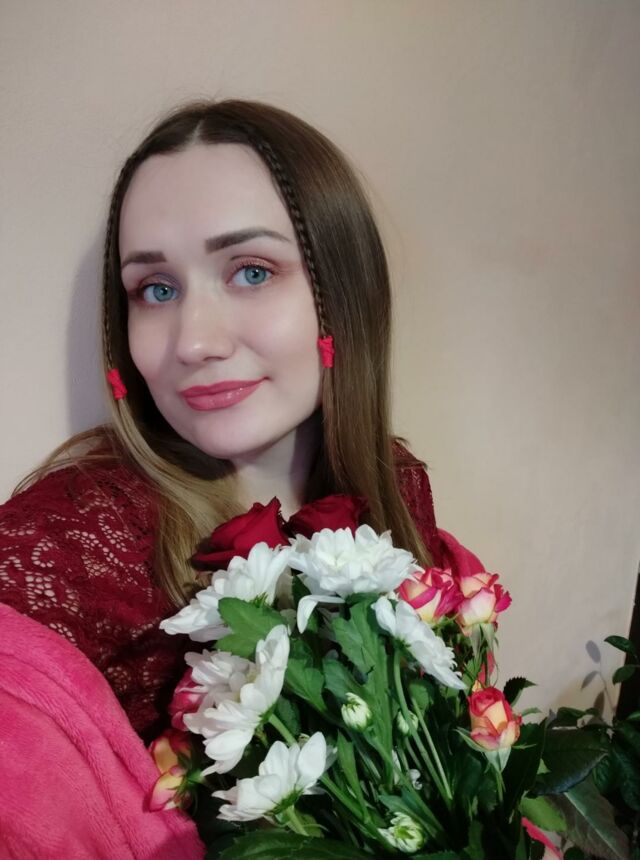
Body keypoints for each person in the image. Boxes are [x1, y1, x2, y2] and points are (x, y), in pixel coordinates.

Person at [0, 100, 473, 857]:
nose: (194, 341)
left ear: (342, 298)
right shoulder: (71, 539)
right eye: (156, 289)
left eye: (251, 272)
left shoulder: (393, 487)